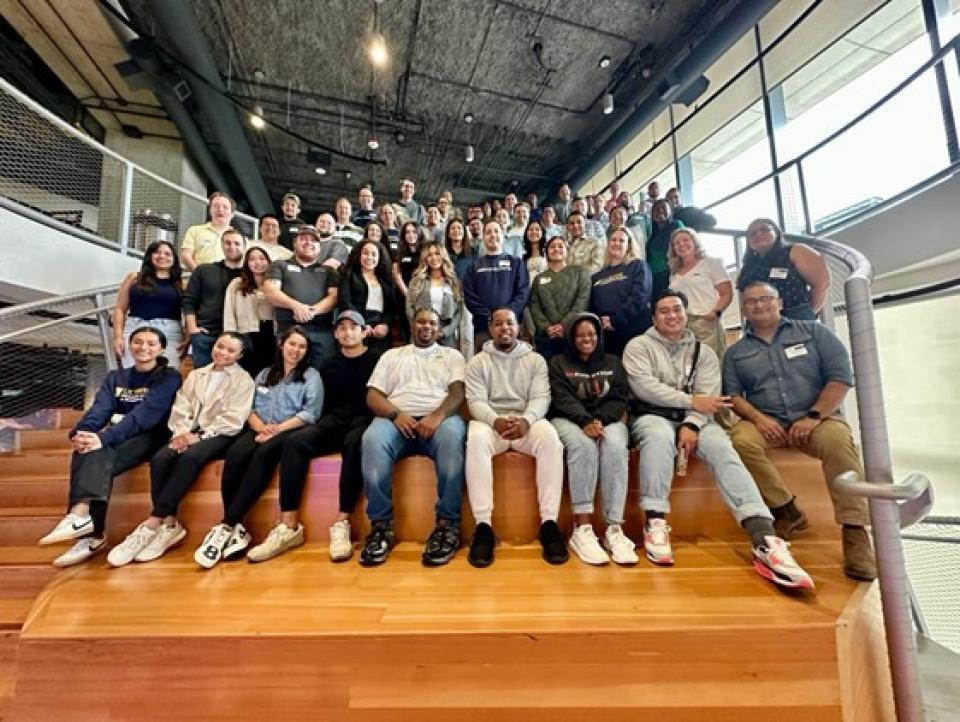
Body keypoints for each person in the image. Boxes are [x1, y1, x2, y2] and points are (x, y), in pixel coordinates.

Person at [622, 290, 813, 589]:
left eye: (677, 310)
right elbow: (645, 387)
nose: (671, 316)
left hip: (697, 419)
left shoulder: (705, 352)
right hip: (652, 415)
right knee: (658, 438)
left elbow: (709, 399)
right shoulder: (638, 347)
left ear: (686, 314)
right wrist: (690, 401)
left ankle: (764, 536)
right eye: (664, 311)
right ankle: (655, 520)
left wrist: (693, 425)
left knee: (723, 447)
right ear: (653, 318)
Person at [724, 281, 876, 581]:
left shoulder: (814, 332)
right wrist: (758, 418)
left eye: (765, 299)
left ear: (779, 302)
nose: (758, 305)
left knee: (838, 442)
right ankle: (785, 508)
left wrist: (813, 416)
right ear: (744, 309)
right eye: (751, 302)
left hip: (818, 419)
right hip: (767, 421)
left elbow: (840, 378)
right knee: (739, 440)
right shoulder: (736, 352)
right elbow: (734, 396)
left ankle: (855, 529)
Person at [107, 332, 255, 567]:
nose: (222, 353)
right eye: (220, 346)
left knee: (190, 459)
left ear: (240, 355)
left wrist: (197, 437)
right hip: (186, 432)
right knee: (161, 458)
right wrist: (181, 433)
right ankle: (170, 524)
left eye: (230, 350)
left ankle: (153, 522)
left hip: (219, 435)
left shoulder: (244, 380)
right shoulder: (197, 374)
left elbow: (233, 420)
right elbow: (181, 406)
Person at [38, 327, 181, 567]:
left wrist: (104, 438)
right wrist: (82, 433)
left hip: (153, 435)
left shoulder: (169, 376)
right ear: (129, 345)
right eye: (138, 342)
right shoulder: (116, 377)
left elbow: (145, 416)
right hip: (121, 433)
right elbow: (100, 409)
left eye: (151, 343)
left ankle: (88, 528)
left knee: (97, 452)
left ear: (161, 348)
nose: (143, 347)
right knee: (88, 449)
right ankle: (82, 519)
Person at [250, 311, 380, 563]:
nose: (347, 332)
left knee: (355, 444)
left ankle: (342, 522)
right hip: (333, 420)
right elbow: (320, 407)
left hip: (364, 419)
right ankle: (289, 525)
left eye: (354, 327)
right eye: (341, 328)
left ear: (364, 332)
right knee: (294, 442)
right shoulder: (328, 364)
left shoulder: (377, 359)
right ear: (335, 334)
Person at [193, 327, 322, 569]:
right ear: (282, 345)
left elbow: (310, 413)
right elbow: (249, 407)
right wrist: (261, 427)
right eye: (292, 344)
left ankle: (226, 524)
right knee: (236, 454)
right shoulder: (264, 374)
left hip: (290, 430)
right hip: (258, 427)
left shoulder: (311, 376)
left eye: (302, 347)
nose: (296, 350)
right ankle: (238, 526)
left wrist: (277, 429)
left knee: (262, 456)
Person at [359, 308, 467, 567]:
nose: (426, 326)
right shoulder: (392, 355)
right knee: (372, 439)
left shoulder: (452, 355)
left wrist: (437, 416)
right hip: (396, 420)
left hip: (438, 421)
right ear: (412, 324)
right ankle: (381, 527)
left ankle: (447, 525)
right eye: (421, 321)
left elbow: (457, 393)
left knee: (453, 437)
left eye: (432, 322)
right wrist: (396, 414)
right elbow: (373, 396)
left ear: (439, 328)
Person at [465, 308, 567, 567]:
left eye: (509, 323)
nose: (504, 328)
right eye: (498, 323)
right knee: (475, 438)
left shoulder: (535, 360)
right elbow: (475, 400)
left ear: (518, 326)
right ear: (490, 328)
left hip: (525, 422)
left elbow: (541, 397)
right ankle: (484, 526)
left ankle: (549, 523)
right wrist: (494, 420)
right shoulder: (478, 361)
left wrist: (527, 420)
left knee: (551, 440)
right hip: (492, 424)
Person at [548, 313, 636, 566]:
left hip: (606, 420)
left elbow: (619, 398)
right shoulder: (558, 363)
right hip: (569, 419)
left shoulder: (613, 362)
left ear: (598, 336)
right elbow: (561, 398)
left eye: (591, 334)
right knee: (583, 445)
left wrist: (598, 420)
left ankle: (613, 529)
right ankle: (582, 527)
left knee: (616, 445)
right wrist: (585, 421)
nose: (586, 339)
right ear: (571, 338)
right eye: (580, 335)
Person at [263, 225, 340, 369]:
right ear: (295, 243)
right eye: (303, 239)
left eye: (314, 241)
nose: (308, 243)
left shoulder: (329, 271)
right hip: (288, 331)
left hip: (322, 333)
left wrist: (311, 311)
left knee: (324, 375)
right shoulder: (280, 265)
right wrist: (296, 306)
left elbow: (334, 297)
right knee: (286, 374)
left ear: (320, 247)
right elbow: (270, 291)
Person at [736, 217, 829, 321]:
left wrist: (806, 314)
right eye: (752, 233)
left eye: (764, 229)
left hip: (795, 320)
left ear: (776, 232)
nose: (758, 234)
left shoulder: (796, 251)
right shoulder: (748, 266)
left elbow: (821, 283)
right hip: (758, 323)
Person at [112, 240, 183, 368]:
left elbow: (189, 312)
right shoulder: (134, 278)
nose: (162, 256)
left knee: (167, 376)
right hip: (135, 329)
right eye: (157, 252)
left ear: (174, 259)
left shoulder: (181, 283)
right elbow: (120, 309)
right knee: (134, 375)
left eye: (167, 254)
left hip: (170, 333)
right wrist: (117, 336)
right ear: (149, 256)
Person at [462, 219, 529, 348]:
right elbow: (469, 297)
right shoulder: (473, 266)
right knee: (485, 365)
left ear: (503, 235)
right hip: (483, 327)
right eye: (488, 232)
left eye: (496, 231)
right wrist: (491, 318)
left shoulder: (516, 263)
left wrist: (505, 317)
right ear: (483, 237)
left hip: (511, 327)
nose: (493, 235)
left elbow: (523, 293)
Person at [183, 228, 245, 368]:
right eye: (228, 243)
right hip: (207, 334)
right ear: (222, 245)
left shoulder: (249, 275)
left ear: (244, 246)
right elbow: (189, 301)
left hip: (239, 337)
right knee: (203, 380)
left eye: (237, 243)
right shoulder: (204, 270)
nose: (232, 247)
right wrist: (193, 328)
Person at [667, 227, 732, 357]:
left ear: (695, 242)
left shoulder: (711, 263)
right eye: (677, 243)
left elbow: (727, 293)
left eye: (685, 240)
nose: (681, 244)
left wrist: (715, 313)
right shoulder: (674, 273)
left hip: (705, 321)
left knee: (712, 362)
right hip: (684, 325)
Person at [589, 227, 653, 355]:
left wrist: (616, 320)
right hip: (606, 335)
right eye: (613, 240)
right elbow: (592, 304)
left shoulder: (638, 266)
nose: (616, 243)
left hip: (634, 331)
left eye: (621, 241)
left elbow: (640, 296)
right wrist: (599, 323)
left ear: (628, 246)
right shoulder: (596, 276)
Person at [528, 235, 591, 361]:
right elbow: (534, 306)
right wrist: (547, 327)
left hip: (574, 334)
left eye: (560, 246)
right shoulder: (539, 279)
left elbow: (582, 301)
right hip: (546, 338)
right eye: (552, 247)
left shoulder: (580, 272)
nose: (556, 249)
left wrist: (564, 325)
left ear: (567, 251)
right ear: (546, 252)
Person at [337, 239, 399, 355]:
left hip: (380, 326)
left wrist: (385, 324)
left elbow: (391, 308)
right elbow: (345, 301)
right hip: (355, 324)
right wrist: (361, 324)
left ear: (380, 257)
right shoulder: (349, 274)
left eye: (374, 254)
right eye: (365, 253)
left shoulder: (386, 279)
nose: (369, 257)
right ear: (359, 255)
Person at [223, 246, 276, 375]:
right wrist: (230, 335)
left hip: (270, 333)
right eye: (252, 259)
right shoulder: (237, 284)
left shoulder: (275, 283)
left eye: (262, 258)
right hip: (246, 333)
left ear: (268, 261)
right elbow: (229, 311)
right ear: (246, 263)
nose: (257, 262)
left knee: (268, 373)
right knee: (246, 372)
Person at [405, 241, 462, 348]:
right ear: (425, 259)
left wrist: (445, 332)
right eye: (429, 255)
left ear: (443, 256)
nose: (433, 257)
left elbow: (458, 313)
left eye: (437, 253)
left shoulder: (453, 282)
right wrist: (420, 327)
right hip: (421, 334)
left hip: (446, 336)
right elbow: (409, 307)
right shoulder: (417, 281)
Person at [180, 191, 234, 271]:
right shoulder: (194, 230)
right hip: (199, 278)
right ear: (210, 210)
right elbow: (186, 255)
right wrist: (200, 274)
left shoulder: (239, 237)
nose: (220, 210)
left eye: (225, 207)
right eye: (216, 206)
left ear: (232, 214)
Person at [647, 199, 684, 300]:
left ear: (670, 211)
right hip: (654, 279)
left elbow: (682, 246)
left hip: (671, 273)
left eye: (663, 208)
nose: (660, 211)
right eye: (656, 209)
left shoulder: (676, 224)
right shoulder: (652, 235)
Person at [565, 211, 604, 275]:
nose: (575, 225)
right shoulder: (563, 245)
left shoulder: (595, 243)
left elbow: (597, 266)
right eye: (572, 223)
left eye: (579, 222)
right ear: (568, 227)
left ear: (585, 225)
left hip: (586, 282)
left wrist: (576, 277)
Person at [396, 220, 426, 298]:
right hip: (403, 293)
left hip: (422, 293)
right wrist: (408, 295)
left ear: (419, 233)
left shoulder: (426, 251)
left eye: (414, 232)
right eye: (407, 232)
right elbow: (397, 275)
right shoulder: (400, 253)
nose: (411, 235)